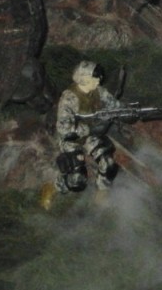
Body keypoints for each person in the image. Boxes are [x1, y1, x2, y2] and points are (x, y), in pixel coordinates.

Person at [40, 60, 124, 208]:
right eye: (94, 79)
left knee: (108, 163)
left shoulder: (99, 91)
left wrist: (127, 113)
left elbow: (115, 106)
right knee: (76, 179)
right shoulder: (69, 98)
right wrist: (88, 129)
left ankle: (102, 191)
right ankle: (52, 188)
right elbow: (63, 128)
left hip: (91, 135)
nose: (98, 81)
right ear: (84, 79)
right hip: (71, 138)